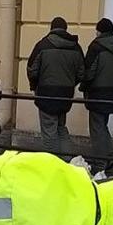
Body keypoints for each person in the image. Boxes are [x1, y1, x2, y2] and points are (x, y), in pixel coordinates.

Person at [27, 17, 84, 155]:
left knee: (48, 131)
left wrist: (35, 86)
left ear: (51, 29)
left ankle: (52, 162)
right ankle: (66, 159)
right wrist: (70, 84)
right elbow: (82, 73)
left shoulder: (43, 45)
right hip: (66, 94)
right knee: (61, 127)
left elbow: (32, 70)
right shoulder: (75, 47)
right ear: (65, 29)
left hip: (46, 92)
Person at [81, 18, 113, 169]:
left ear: (99, 31)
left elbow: (89, 72)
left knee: (97, 127)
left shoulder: (96, 47)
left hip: (96, 92)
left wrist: (84, 86)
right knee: (103, 124)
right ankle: (110, 155)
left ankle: (100, 162)